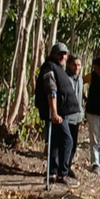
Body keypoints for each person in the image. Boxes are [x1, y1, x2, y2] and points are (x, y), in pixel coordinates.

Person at [34, 42, 80, 187]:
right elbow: (51, 91)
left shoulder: (59, 68)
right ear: (53, 54)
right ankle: (62, 174)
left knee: (55, 143)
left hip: (62, 112)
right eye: (60, 53)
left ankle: (53, 172)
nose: (63, 56)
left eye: (65, 54)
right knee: (68, 141)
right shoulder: (49, 68)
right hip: (56, 113)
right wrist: (54, 113)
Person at [64, 55, 83, 179]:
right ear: (69, 65)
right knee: (66, 144)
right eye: (74, 65)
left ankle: (68, 167)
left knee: (73, 145)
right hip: (66, 116)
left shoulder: (80, 79)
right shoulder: (64, 78)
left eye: (79, 65)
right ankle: (62, 169)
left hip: (77, 117)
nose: (76, 67)